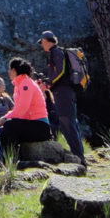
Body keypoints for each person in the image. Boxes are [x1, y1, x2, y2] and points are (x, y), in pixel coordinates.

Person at [0, 57, 51, 167]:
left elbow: (22, 109)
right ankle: (8, 161)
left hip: (40, 127)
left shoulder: (25, 84)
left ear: (14, 70)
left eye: (9, 69)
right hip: (32, 125)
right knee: (6, 128)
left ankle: (10, 162)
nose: (8, 72)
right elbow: (19, 110)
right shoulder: (19, 85)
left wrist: (5, 118)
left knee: (9, 126)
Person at [39, 30, 86, 165]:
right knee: (70, 123)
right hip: (64, 93)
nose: (41, 45)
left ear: (47, 41)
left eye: (42, 42)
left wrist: (49, 83)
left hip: (63, 93)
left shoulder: (56, 52)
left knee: (67, 124)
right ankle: (79, 156)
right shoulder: (55, 53)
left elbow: (60, 70)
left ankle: (79, 159)